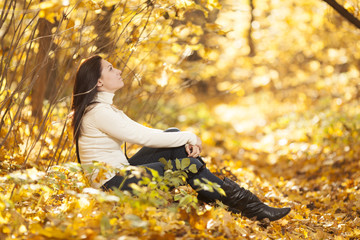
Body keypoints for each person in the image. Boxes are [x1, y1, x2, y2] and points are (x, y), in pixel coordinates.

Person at [71, 55, 291, 222]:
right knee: (184, 163)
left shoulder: (103, 108)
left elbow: (147, 133)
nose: (118, 70)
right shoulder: (99, 112)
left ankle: (235, 204)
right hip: (113, 186)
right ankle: (247, 206)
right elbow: (141, 136)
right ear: (98, 82)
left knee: (173, 135)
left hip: (123, 173)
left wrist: (183, 138)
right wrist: (192, 136)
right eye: (110, 68)